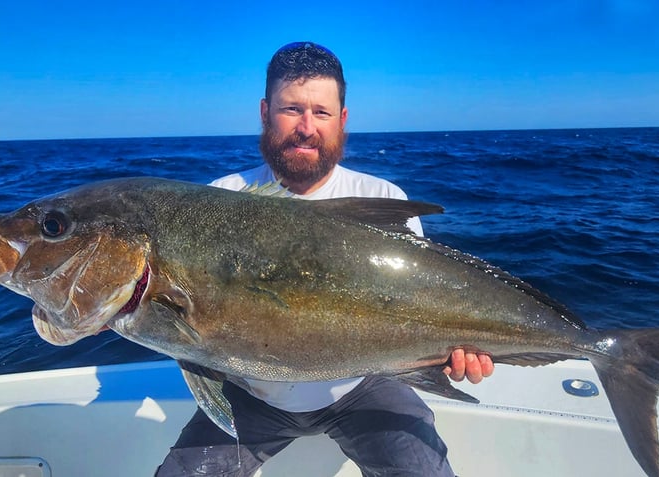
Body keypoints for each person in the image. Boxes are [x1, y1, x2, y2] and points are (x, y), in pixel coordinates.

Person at [156, 41, 494, 477]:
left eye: (321, 112)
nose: (306, 127)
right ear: (264, 113)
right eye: (291, 109)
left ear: (343, 120)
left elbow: (416, 315)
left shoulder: (383, 198)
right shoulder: (221, 198)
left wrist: (452, 351)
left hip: (363, 386)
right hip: (249, 391)